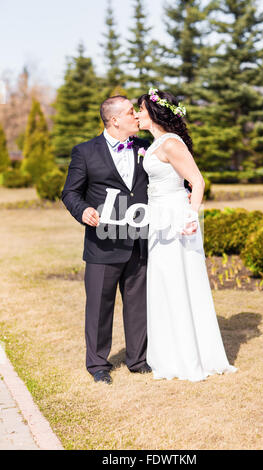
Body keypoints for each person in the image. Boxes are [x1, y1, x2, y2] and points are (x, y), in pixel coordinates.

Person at [137, 88, 237, 381]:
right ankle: (169, 354)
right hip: (158, 218)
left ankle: (189, 358)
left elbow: (197, 181)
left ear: (154, 112)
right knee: (164, 284)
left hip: (176, 220)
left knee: (179, 282)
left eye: (141, 109)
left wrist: (192, 218)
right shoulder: (156, 143)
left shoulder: (170, 143)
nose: (137, 114)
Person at [61, 96, 152, 385]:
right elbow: (70, 193)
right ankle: (98, 364)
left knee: (138, 304)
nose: (136, 116)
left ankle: (138, 360)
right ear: (114, 120)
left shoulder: (145, 148)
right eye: (130, 112)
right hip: (102, 242)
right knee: (99, 305)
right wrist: (84, 210)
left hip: (138, 239)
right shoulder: (85, 152)